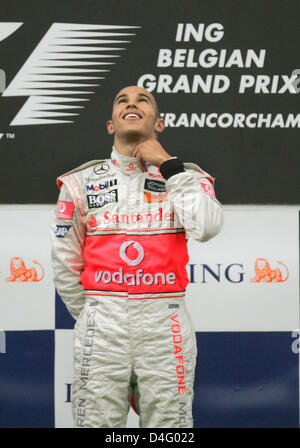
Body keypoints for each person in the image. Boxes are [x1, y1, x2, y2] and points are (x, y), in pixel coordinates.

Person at [50, 85, 223, 428]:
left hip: (165, 323)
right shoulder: (79, 183)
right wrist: (95, 314)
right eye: (122, 101)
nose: (131, 103)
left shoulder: (187, 177)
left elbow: (206, 227)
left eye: (143, 100)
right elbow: (65, 262)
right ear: (111, 125)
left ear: (159, 124)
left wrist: (170, 167)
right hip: (102, 323)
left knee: (168, 430)